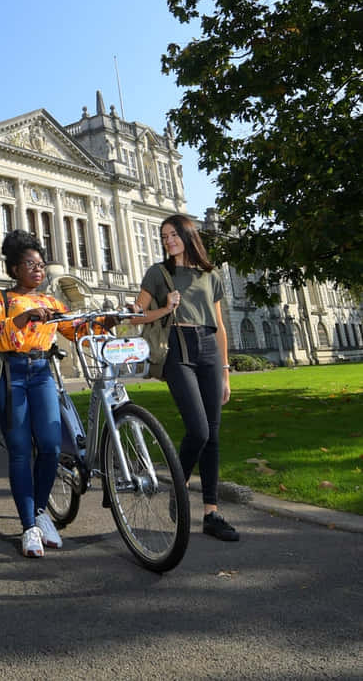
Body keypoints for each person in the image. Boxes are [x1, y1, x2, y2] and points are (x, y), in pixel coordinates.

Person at [131, 213, 239, 542]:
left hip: (209, 350)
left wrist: (225, 371)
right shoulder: (158, 273)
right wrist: (165, 308)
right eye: (164, 236)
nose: (168, 241)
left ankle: (211, 513)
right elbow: (135, 316)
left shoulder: (211, 274)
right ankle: (179, 487)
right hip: (178, 350)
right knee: (199, 430)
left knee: (213, 436)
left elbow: (219, 327)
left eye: (173, 234)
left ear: (188, 235)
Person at [0, 229, 81, 558]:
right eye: (30, 264)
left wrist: (107, 321)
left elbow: (75, 328)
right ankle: (29, 526)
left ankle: (39, 513)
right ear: (14, 269)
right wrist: (23, 318)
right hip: (10, 376)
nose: (38, 270)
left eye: (41, 264)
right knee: (21, 450)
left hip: (41, 373)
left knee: (51, 446)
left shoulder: (51, 302)